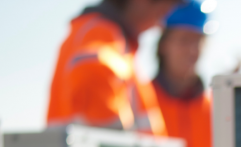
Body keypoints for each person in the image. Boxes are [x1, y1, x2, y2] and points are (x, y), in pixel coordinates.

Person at [47, 0, 182, 135]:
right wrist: (122, 146)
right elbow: (92, 75)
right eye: (163, 11)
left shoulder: (116, 38)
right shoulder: (100, 32)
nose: (160, 23)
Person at [152, 0, 213, 147]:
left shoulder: (216, 109)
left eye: (198, 41)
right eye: (184, 40)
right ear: (163, 44)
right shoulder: (139, 101)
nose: (192, 50)